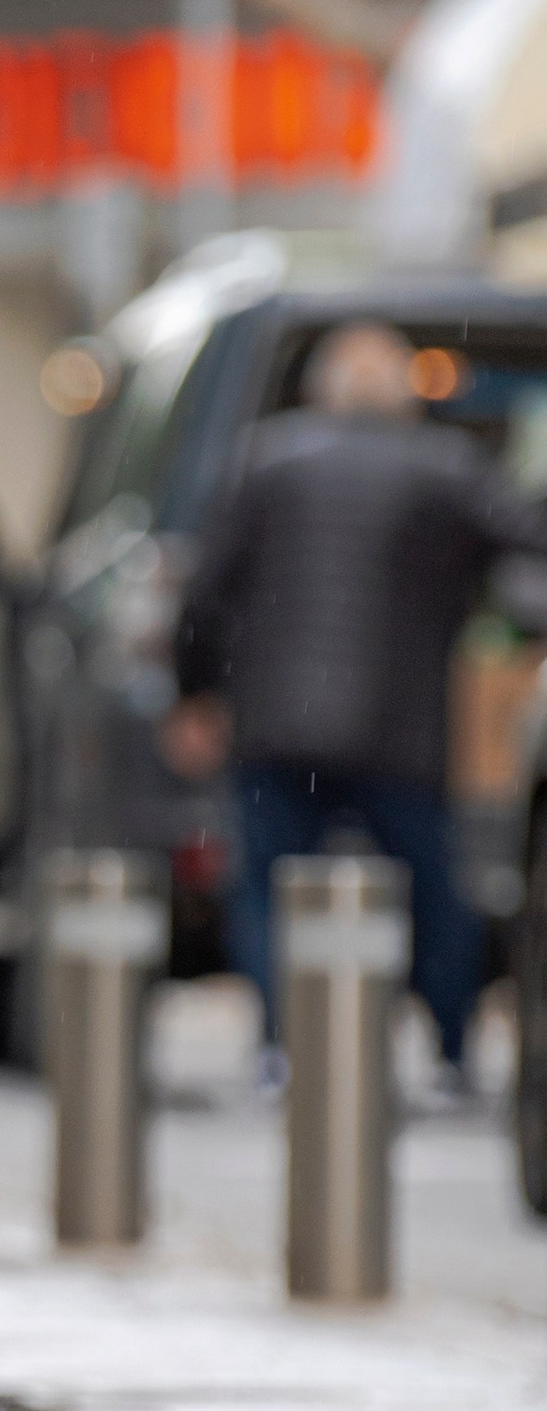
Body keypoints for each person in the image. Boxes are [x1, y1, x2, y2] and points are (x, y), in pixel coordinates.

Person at [172, 321, 547, 1089]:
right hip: (398, 727)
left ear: (322, 393)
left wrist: (197, 693)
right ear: (407, 396)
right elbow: (526, 547)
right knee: (436, 891)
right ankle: (448, 1051)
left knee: (272, 890)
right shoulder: (446, 467)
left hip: (277, 722)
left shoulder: (266, 460)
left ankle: (282, 1048)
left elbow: (204, 594)